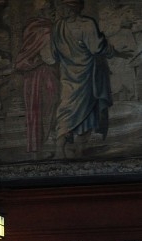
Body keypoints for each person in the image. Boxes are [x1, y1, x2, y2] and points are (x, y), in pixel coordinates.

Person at [51, 0, 121, 159]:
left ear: (71, 8)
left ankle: (68, 148)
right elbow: (98, 48)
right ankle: (70, 148)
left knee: (67, 108)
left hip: (70, 74)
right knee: (86, 109)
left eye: (62, 6)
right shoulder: (86, 24)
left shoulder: (58, 27)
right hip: (87, 75)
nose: (59, 9)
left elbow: (55, 53)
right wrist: (112, 49)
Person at [13, 0, 58, 157]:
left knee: (49, 104)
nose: (52, 11)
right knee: (37, 109)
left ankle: (45, 143)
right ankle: (37, 150)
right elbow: (47, 55)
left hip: (44, 72)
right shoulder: (41, 28)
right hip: (37, 73)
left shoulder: (48, 26)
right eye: (49, 8)